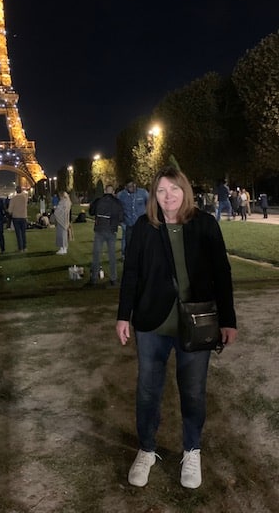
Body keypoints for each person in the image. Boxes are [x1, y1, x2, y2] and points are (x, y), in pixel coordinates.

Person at [116, 165, 237, 490]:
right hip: (152, 324)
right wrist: (123, 315)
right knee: (147, 391)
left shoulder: (205, 224)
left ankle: (192, 449)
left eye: (174, 189)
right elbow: (131, 274)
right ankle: (147, 449)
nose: (168, 196)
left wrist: (228, 319)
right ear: (153, 196)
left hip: (197, 324)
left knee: (194, 392)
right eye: (161, 191)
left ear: (185, 191)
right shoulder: (145, 227)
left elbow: (222, 273)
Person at [88, 184, 124, 286]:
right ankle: (113, 278)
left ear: (104, 190)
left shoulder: (99, 201)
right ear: (113, 192)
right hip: (111, 230)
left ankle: (94, 278)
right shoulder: (117, 202)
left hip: (99, 229)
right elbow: (121, 217)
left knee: (96, 255)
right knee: (112, 256)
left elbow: (91, 212)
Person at [117, 179, 149, 256]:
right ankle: (125, 255)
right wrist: (120, 221)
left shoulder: (143, 193)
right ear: (126, 187)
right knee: (128, 241)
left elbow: (150, 204)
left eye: (134, 185)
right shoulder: (121, 195)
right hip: (128, 223)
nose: (133, 188)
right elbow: (117, 207)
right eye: (130, 186)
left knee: (143, 241)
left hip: (141, 223)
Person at [7, 186, 28, 252]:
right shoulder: (25, 198)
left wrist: (10, 212)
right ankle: (24, 247)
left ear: (16, 191)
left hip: (16, 217)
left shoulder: (13, 199)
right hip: (23, 216)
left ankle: (20, 248)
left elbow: (10, 210)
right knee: (23, 233)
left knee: (18, 234)